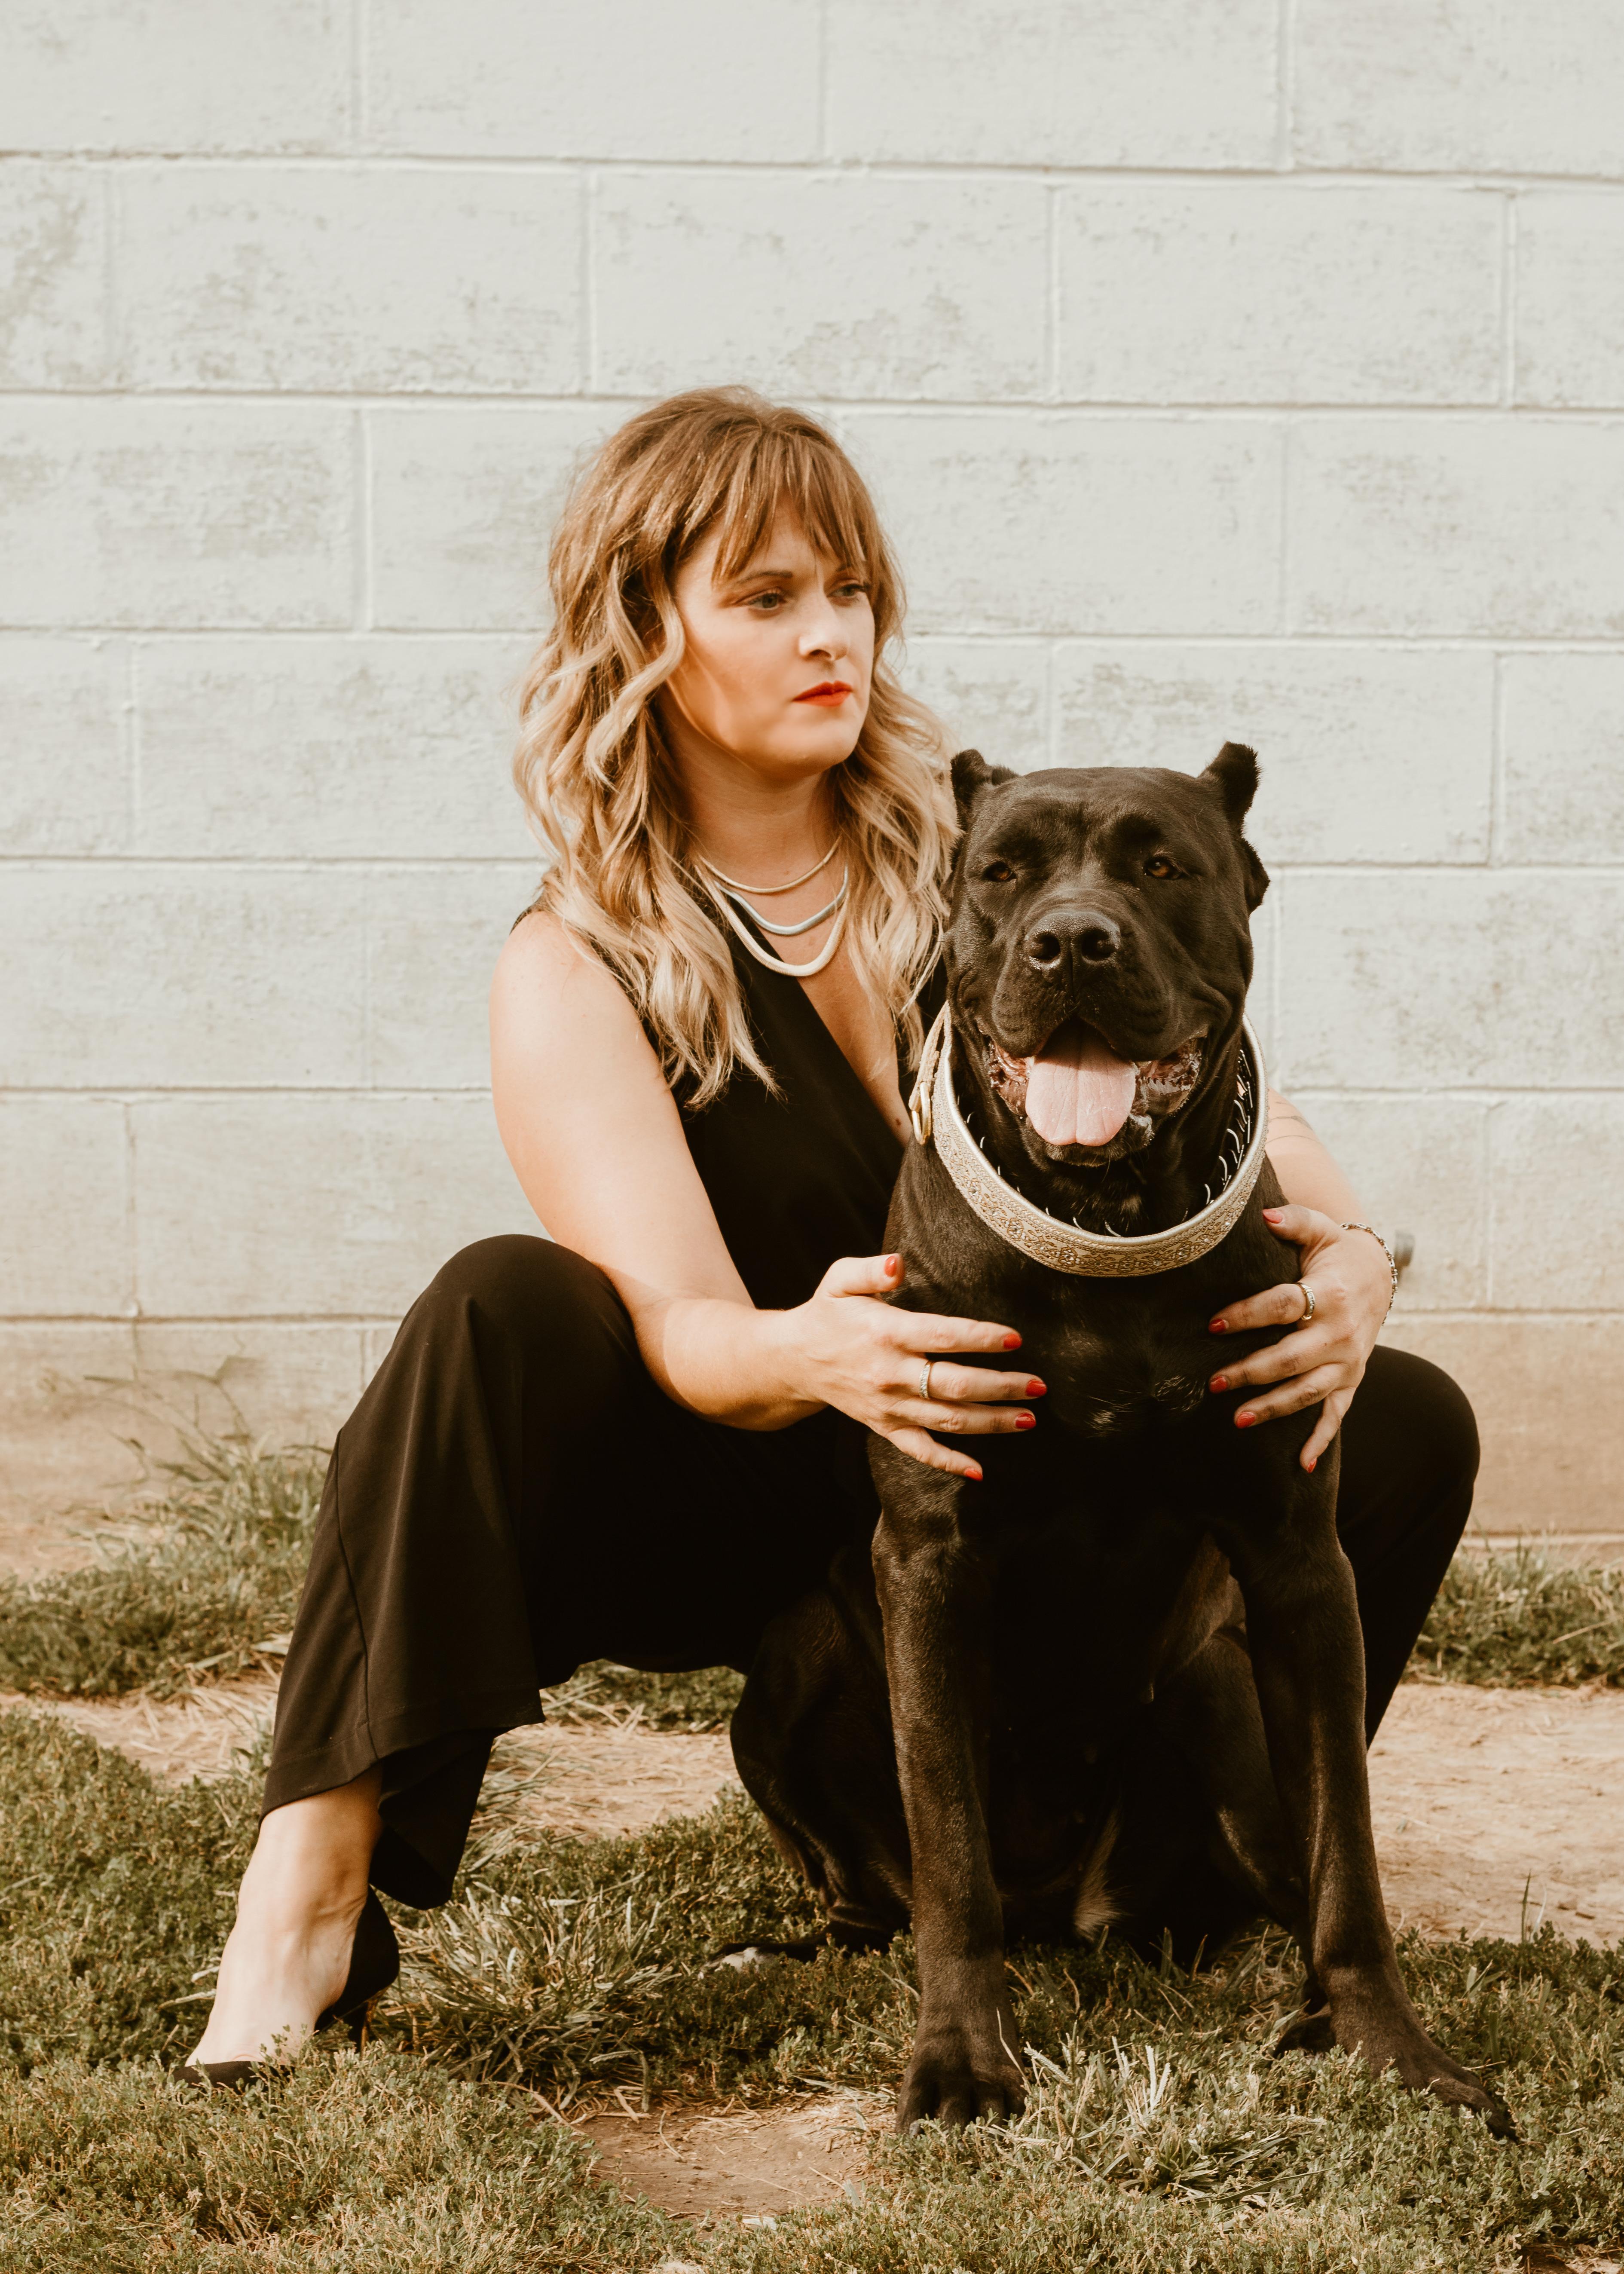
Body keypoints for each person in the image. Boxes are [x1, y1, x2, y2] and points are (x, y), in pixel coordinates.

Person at [186, 387, 1477, 2077]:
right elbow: (680, 1323)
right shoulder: (579, 960)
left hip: (1021, 1443)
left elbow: (1229, 1095)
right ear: (645, 630)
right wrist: (821, 1349)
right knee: (497, 1305)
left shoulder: (984, 861)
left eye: (852, 592)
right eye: (769, 596)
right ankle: (308, 1896)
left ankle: (1168, 1842)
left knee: (1397, 1416)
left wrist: (1355, 1252)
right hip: (773, 1487)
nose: (832, 637)